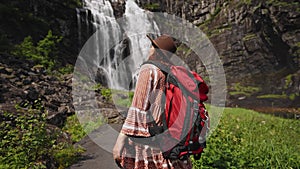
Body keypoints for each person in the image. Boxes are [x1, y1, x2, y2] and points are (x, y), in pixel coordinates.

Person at [113, 34, 193, 169]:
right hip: (167, 142)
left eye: (151, 46)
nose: (149, 49)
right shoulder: (170, 72)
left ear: (156, 50)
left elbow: (138, 107)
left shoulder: (148, 69)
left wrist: (120, 140)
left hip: (147, 143)